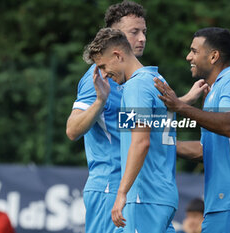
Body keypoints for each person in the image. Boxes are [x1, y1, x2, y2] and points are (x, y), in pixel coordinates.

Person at [154, 27, 230, 233]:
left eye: (194, 51)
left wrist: (180, 106)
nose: (189, 56)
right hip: (227, 203)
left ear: (214, 56)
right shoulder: (216, 90)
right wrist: (158, 143)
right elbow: (204, 150)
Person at [83, 27, 179, 233]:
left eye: (103, 66)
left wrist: (122, 192)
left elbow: (141, 141)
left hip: (143, 195)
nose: (104, 74)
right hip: (162, 194)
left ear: (117, 55)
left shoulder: (136, 87)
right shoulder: (158, 80)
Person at [65, 1, 147, 233]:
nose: (141, 38)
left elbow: (137, 125)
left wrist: (183, 103)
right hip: (109, 187)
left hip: (131, 186)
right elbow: (72, 129)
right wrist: (100, 101)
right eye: (134, 32)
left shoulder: (133, 79)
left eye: (144, 32)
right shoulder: (100, 76)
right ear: (115, 35)